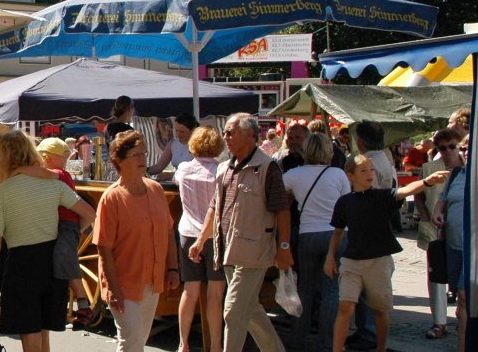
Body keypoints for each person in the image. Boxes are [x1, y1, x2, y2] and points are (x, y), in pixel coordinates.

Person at [0, 131, 95, 352]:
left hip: (21, 265)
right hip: (51, 263)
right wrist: (69, 235)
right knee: (43, 333)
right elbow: (89, 214)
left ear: (6, 157)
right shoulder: (54, 184)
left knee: (30, 336)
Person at [188, 113, 290, 352]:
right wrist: (201, 239)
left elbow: (282, 210)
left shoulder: (267, 167)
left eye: (230, 132)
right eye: (225, 132)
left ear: (250, 135)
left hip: (253, 252)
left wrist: (284, 247)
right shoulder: (225, 167)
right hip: (227, 251)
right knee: (250, 309)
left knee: (233, 311)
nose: (225, 137)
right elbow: (215, 205)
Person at [327, 156, 449, 352]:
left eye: (371, 170)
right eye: (364, 170)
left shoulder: (381, 196)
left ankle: (381, 349)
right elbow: (338, 232)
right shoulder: (344, 202)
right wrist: (329, 257)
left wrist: (427, 181)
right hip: (351, 261)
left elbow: (405, 190)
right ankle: (336, 349)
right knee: (345, 307)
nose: (370, 174)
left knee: (380, 310)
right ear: (350, 175)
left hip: (379, 261)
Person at [93, 130, 180, 351]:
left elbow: (168, 231)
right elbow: (104, 248)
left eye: (144, 153)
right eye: (136, 155)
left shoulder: (156, 189)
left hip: (153, 280)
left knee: (139, 339)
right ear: (119, 161)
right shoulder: (111, 198)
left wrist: (172, 269)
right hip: (124, 283)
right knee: (131, 342)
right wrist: (113, 288)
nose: (144, 159)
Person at [12, 137, 97, 328]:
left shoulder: (59, 174)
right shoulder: (58, 174)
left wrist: (17, 169)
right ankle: (80, 303)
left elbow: (37, 172)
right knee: (61, 259)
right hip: (63, 224)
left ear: (48, 158)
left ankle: (83, 302)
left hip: (65, 224)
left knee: (64, 258)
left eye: (43, 157)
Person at [281, 134, 351, 351]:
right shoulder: (338, 174)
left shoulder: (295, 174)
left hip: (307, 234)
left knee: (305, 289)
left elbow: (277, 192)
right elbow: (346, 205)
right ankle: (327, 344)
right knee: (331, 290)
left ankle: (297, 339)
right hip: (335, 235)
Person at [173, 127, 226, 352]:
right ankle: (215, 345)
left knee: (190, 290)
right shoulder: (221, 171)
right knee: (215, 293)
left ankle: (183, 343)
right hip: (214, 236)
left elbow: (175, 180)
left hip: (187, 232)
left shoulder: (183, 169)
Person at [418, 129, 463, 339]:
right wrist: (425, 214)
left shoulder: (468, 168)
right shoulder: (429, 168)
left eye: (452, 146)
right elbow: (417, 193)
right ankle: (439, 322)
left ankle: (461, 315)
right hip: (434, 231)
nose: (447, 151)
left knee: (460, 279)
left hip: (462, 233)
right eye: (442, 148)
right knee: (436, 276)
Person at [433, 134, 470, 349]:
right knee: (459, 299)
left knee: (464, 297)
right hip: (453, 245)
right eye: (464, 147)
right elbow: (443, 200)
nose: (465, 151)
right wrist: (438, 213)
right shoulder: (457, 174)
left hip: (473, 248)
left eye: (467, 147)